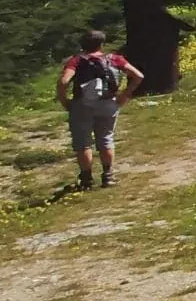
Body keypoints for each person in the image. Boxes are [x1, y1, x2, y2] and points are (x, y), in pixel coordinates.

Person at [55, 31, 143, 190]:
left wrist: (65, 101)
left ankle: (87, 179)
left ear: (82, 45)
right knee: (106, 139)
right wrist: (125, 95)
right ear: (101, 44)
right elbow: (138, 76)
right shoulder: (114, 59)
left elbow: (63, 82)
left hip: (82, 104)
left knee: (83, 142)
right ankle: (108, 176)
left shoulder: (76, 61)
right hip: (108, 102)